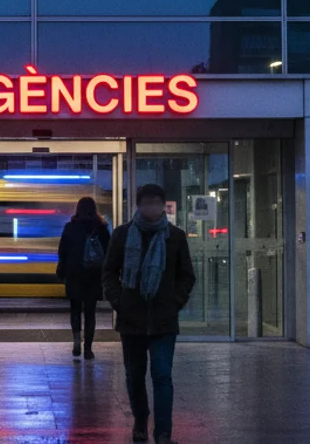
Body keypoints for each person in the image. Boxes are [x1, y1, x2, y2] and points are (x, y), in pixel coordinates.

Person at [103, 184, 196, 444]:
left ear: (163, 204)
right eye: (147, 202)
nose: (152, 207)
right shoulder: (122, 235)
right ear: (138, 205)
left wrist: (174, 302)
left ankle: (164, 433)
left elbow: (186, 276)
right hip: (131, 320)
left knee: (162, 376)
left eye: (157, 202)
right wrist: (119, 301)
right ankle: (140, 422)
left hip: (164, 322)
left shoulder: (174, 237)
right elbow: (109, 272)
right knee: (134, 377)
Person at [56, 197, 111, 360]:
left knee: (75, 309)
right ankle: (88, 348)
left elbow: (62, 251)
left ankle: (76, 341)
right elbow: (108, 251)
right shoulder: (101, 228)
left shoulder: (70, 227)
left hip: (74, 274)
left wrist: (63, 269)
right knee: (90, 312)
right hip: (93, 275)